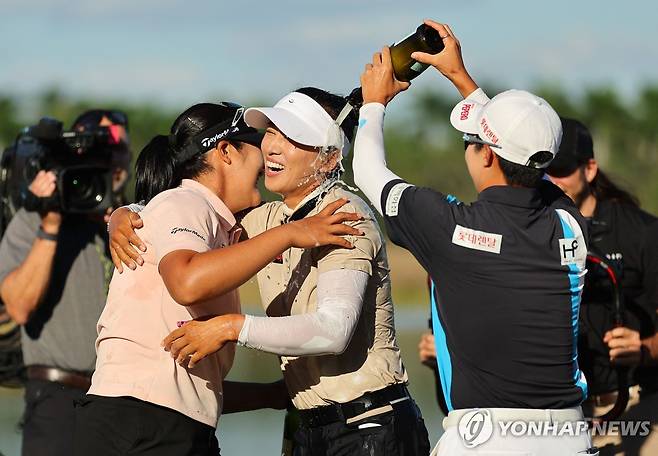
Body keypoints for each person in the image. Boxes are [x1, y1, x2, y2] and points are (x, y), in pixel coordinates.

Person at [110, 87, 431, 456]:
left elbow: (333, 330)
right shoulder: (269, 219)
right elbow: (186, 208)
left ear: (328, 158)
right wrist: (127, 215)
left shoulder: (345, 213)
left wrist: (230, 327)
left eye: (292, 137)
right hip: (311, 428)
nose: (272, 147)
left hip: (370, 426)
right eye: (272, 133)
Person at [352, 19, 597, 455]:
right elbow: (527, 163)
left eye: (471, 140)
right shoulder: (568, 222)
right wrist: (461, 79)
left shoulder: (448, 228)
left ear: (485, 154)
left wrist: (374, 104)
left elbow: (369, 173)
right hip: (569, 439)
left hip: (485, 440)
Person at [72, 102, 360, 456]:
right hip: (141, 425)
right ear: (226, 151)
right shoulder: (186, 202)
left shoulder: (217, 226)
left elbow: (190, 387)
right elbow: (187, 282)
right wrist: (291, 234)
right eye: (256, 140)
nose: (267, 150)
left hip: (158, 425)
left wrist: (275, 394)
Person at [0, 109, 131, 456]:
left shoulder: (130, 223)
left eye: (120, 147)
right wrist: (51, 224)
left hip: (121, 401)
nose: (114, 156)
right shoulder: (34, 217)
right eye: (104, 146)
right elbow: (19, 305)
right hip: (58, 401)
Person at [546, 118, 658, 455]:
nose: (553, 181)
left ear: (590, 169)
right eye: (544, 171)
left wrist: (644, 348)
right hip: (562, 416)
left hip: (639, 405)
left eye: (562, 169)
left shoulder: (642, 233)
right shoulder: (532, 234)